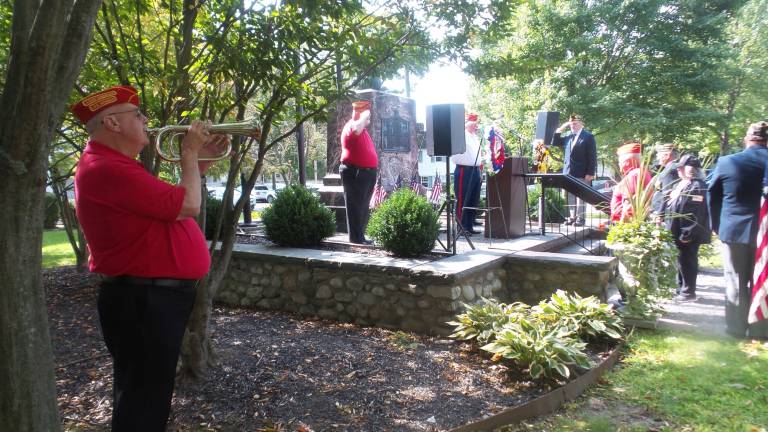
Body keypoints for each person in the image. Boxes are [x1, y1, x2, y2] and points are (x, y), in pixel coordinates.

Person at [72, 85, 230, 431]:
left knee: (145, 398)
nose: (146, 121)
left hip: (149, 298)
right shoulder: (105, 168)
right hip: (144, 300)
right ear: (112, 123)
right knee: (143, 405)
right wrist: (189, 153)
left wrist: (198, 165)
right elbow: (188, 205)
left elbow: (170, 203)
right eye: (138, 115)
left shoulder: (113, 166)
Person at [708, 121, 768, 339]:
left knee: (735, 278)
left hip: (734, 229)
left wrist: (717, 227)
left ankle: (735, 328)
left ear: (747, 138)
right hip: (766, 232)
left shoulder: (727, 162)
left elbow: (713, 197)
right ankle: (761, 329)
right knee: (764, 279)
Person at [665, 154, 711, 301]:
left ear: (689, 169)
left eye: (681, 168)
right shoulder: (685, 184)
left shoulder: (697, 186)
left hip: (687, 234)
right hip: (679, 232)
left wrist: (687, 234)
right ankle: (682, 288)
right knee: (682, 261)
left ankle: (688, 292)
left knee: (688, 261)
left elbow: (695, 213)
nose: (678, 171)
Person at [339, 100, 378, 244]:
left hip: (366, 173)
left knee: (362, 206)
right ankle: (356, 238)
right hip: (356, 172)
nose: (369, 118)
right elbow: (356, 128)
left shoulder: (363, 130)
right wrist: (364, 114)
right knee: (355, 206)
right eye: (368, 115)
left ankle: (360, 236)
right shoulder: (352, 126)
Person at [553, 114, 597, 226]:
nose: (573, 126)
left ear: (581, 124)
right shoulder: (568, 135)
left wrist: (590, 173)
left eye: (575, 123)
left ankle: (580, 219)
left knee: (581, 196)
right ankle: (572, 217)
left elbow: (592, 156)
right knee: (569, 196)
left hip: (582, 173)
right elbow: (555, 142)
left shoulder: (588, 136)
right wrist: (561, 128)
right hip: (568, 172)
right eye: (571, 124)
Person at [451, 112, 484, 234]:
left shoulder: (474, 137)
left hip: (475, 170)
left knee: (473, 200)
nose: (476, 126)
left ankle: (469, 226)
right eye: (475, 124)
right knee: (463, 198)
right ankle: (461, 227)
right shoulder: (461, 135)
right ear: (468, 124)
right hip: (464, 170)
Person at [610, 141, 652, 223]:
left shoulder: (634, 175)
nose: (620, 166)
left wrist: (622, 228)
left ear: (627, 162)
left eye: (620, 163)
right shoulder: (641, 173)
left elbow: (630, 205)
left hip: (628, 224)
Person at [650, 143, 679, 222]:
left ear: (667, 155)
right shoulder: (673, 168)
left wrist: (660, 214)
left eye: (659, 154)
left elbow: (667, 193)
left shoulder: (670, 170)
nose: (657, 157)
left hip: (665, 216)